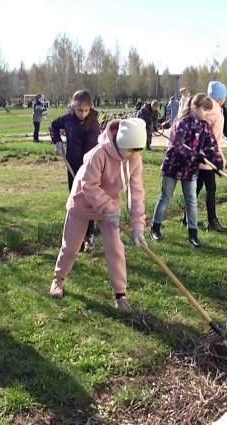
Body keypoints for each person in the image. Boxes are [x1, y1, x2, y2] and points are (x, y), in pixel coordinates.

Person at [49, 118, 148, 312]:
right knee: (71, 247)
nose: (132, 156)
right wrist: (109, 209)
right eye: (130, 150)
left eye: (137, 151)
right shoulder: (98, 154)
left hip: (109, 206)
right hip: (82, 202)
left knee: (115, 249)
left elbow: (136, 192)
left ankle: (121, 295)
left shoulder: (134, 158)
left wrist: (138, 226)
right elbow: (89, 185)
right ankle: (58, 279)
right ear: (120, 142)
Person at [150, 93, 223, 247]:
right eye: (206, 110)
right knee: (166, 197)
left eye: (210, 111)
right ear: (195, 108)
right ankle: (155, 228)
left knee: (192, 201)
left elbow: (211, 146)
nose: (208, 113)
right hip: (173, 166)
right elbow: (177, 146)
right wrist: (195, 156)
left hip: (190, 170)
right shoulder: (182, 123)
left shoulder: (205, 126)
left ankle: (193, 234)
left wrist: (216, 161)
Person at [50, 90, 101, 252]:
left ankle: (89, 236)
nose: (83, 114)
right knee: (74, 200)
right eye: (80, 110)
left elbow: (92, 145)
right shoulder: (68, 119)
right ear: (73, 107)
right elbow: (53, 125)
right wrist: (57, 141)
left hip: (88, 168)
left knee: (88, 201)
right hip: (71, 165)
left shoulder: (92, 122)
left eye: (86, 110)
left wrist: (87, 169)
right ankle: (76, 238)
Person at [196, 81, 227, 232]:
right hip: (207, 158)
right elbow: (214, 141)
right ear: (221, 99)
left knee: (196, 187)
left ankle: (187, 217)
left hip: (195, 156)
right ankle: (212, 221)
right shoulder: (218, 115)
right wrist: (220, 158)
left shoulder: (201, 109)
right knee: (211, 188)